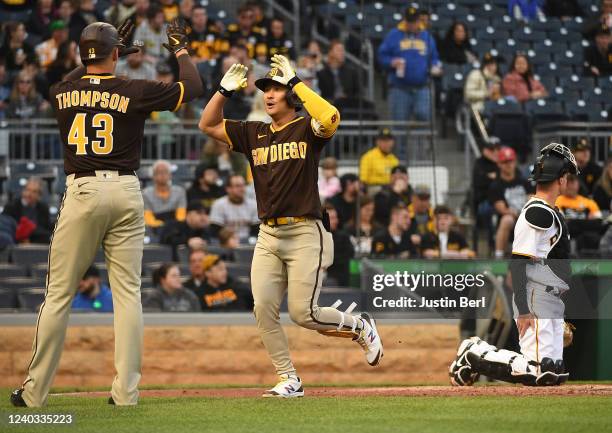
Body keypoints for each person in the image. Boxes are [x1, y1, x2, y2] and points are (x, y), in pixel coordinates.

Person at [10, 18, 203, 408]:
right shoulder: (134, 88)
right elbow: (193, 88)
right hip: (127, 190)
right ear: (117, 54)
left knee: (59, 293)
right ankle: (126, 393)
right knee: (129, 294)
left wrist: (103, 52)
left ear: (83, 55)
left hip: (83, 189)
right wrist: (180, 49)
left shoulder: (62, 89)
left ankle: (33, 396)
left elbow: (80, 75)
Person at [198, 53, 383, 397]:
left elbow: (330, 116)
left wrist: (297, 81)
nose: (268, 94)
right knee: (263, 308)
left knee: (303, 313)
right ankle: (289, 378)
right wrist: (223, 91)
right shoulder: (254, 132)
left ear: (291, 97)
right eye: (265, 89)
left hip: (304, 230)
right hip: (268, 234)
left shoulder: (305, 128)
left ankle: (360, 327)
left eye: (276, 89)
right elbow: (207, 125)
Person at [450, 143, 579, 387]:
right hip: (535, 296)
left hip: (551, 297)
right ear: (560, 179)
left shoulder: (550, 210)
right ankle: (473, 352)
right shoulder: (537, 213)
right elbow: (518, 262)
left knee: (553, 373)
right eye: (567, 175)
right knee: (537, 372)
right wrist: (523, 308)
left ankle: (475, 354)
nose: (568, 181)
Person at [378, 7, 441, 122]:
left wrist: (435, 66)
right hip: (399, 88)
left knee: (424, 120)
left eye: (414, 21)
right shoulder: (394, 35)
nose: (411, 25)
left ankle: (422, 140)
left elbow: (434, 57)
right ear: (404, 20)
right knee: (399, 125)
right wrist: (391, 62)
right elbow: (382, 56)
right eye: (409, 21)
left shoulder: (426, 36)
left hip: (422, 87)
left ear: (419, 21)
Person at [488, 146, 532, 258]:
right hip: (510, 218)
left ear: (515, 162)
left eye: (511, 161)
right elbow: (502, 209)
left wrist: (526, 213)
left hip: (526, 215)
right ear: (499, 164)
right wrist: (517, 213)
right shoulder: (495, 185)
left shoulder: (524, 181)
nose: (508, 165)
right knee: (507, 219)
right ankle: (499, 256)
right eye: (505, 162)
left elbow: (531, 200)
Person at [555, 174, 603, 252]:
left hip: (587, 238)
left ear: (578, 183)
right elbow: (563, 224)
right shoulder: (557, 201)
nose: (570, 186)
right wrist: (587, 221)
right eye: (568, 182)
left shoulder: (589, 202)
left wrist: (574, 223)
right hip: (567, 236)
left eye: (573, 182)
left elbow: (598, 223)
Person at [209, 174, 259, 242]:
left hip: (248, 242)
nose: (241, 189)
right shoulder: (218, 204)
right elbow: (215, 231)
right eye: (237, 186)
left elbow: (256, 230)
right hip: (225, 243)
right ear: (228, 189)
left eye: (243, 185)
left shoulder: (253, 204)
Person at [3, 177, 53, 244]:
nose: (29, 194)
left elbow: (46, 230)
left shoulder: (43, 208)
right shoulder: (11, 207)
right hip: (16, 245)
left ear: (39, 196)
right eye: (27, 190)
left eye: (34, 192)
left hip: (37, 245)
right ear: (23, 191)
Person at [142, 160, 187, 234]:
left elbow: (181, 216)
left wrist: (173, 226)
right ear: (153, 176)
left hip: (176, 228)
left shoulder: (180, 191)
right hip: (155, 229)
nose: (162, 175)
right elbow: (148, 218)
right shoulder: (146, 193)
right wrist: (163, 226)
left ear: (170, 175)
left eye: (165, 172)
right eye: (159, 172)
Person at [324, 203, 354, 286]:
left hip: (336, 278)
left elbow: (347, 257)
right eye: (332, 218)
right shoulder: (313, 238)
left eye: (336, 217)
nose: (336, 221)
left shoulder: (344, 237)